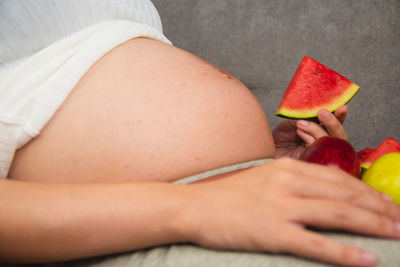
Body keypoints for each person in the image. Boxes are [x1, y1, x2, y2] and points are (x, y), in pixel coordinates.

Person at [0, 1, 399, 266]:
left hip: (250, 201)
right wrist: (194, 206)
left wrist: (257, 165)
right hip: (148, 232)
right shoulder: (190, 210)